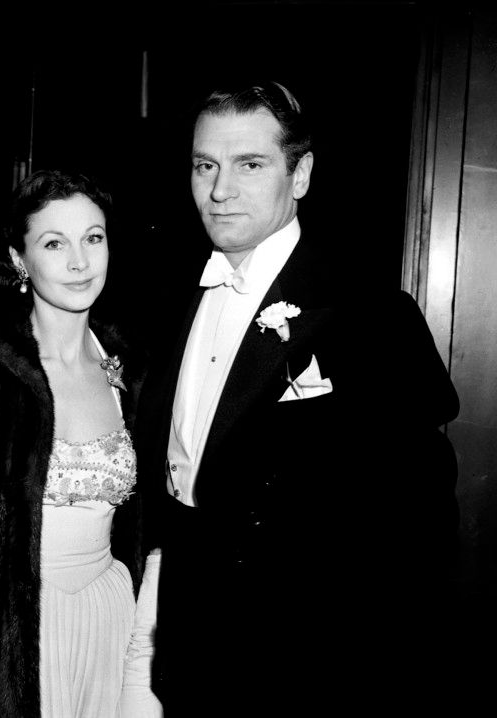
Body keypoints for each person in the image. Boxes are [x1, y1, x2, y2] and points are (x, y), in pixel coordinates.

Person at [135, 81, 460, 715]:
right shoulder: (166, 300)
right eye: (205, 166)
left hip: (308, 660)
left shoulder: (369, 313)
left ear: (301, 174)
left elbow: (418, 527)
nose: (220, 190)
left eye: (250, 165)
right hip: (190, 645)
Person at [0, 170, 163, 718]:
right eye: (54, 243)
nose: (80, 262)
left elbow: (154, 531)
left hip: (112, 623)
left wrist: (141, 673)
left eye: (93, 238)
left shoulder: (135, 367)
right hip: (16, 636)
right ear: (19, 259)